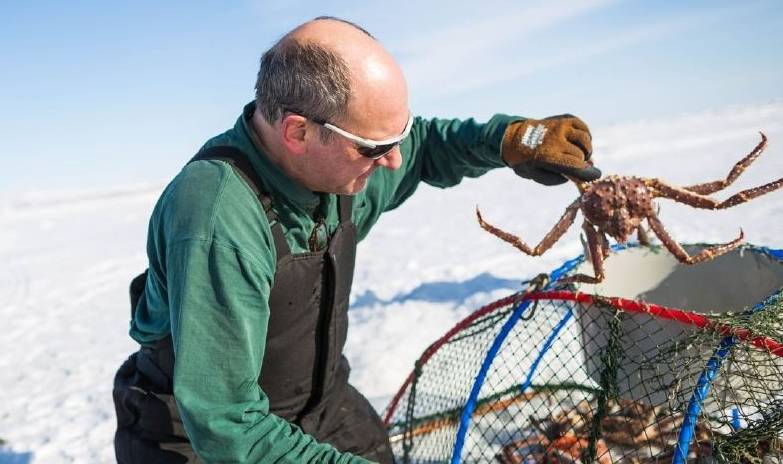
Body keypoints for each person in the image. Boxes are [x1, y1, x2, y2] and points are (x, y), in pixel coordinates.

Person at [112, 16, 600, 464]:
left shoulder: (344, 163)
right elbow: (225, 425)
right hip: (199, 437)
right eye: (375, 147)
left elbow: (425, 147)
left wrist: (510, 139)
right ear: (298, 132)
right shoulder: (218, 218)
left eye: (396, 136)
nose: (392, 160)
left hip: (322, 404)